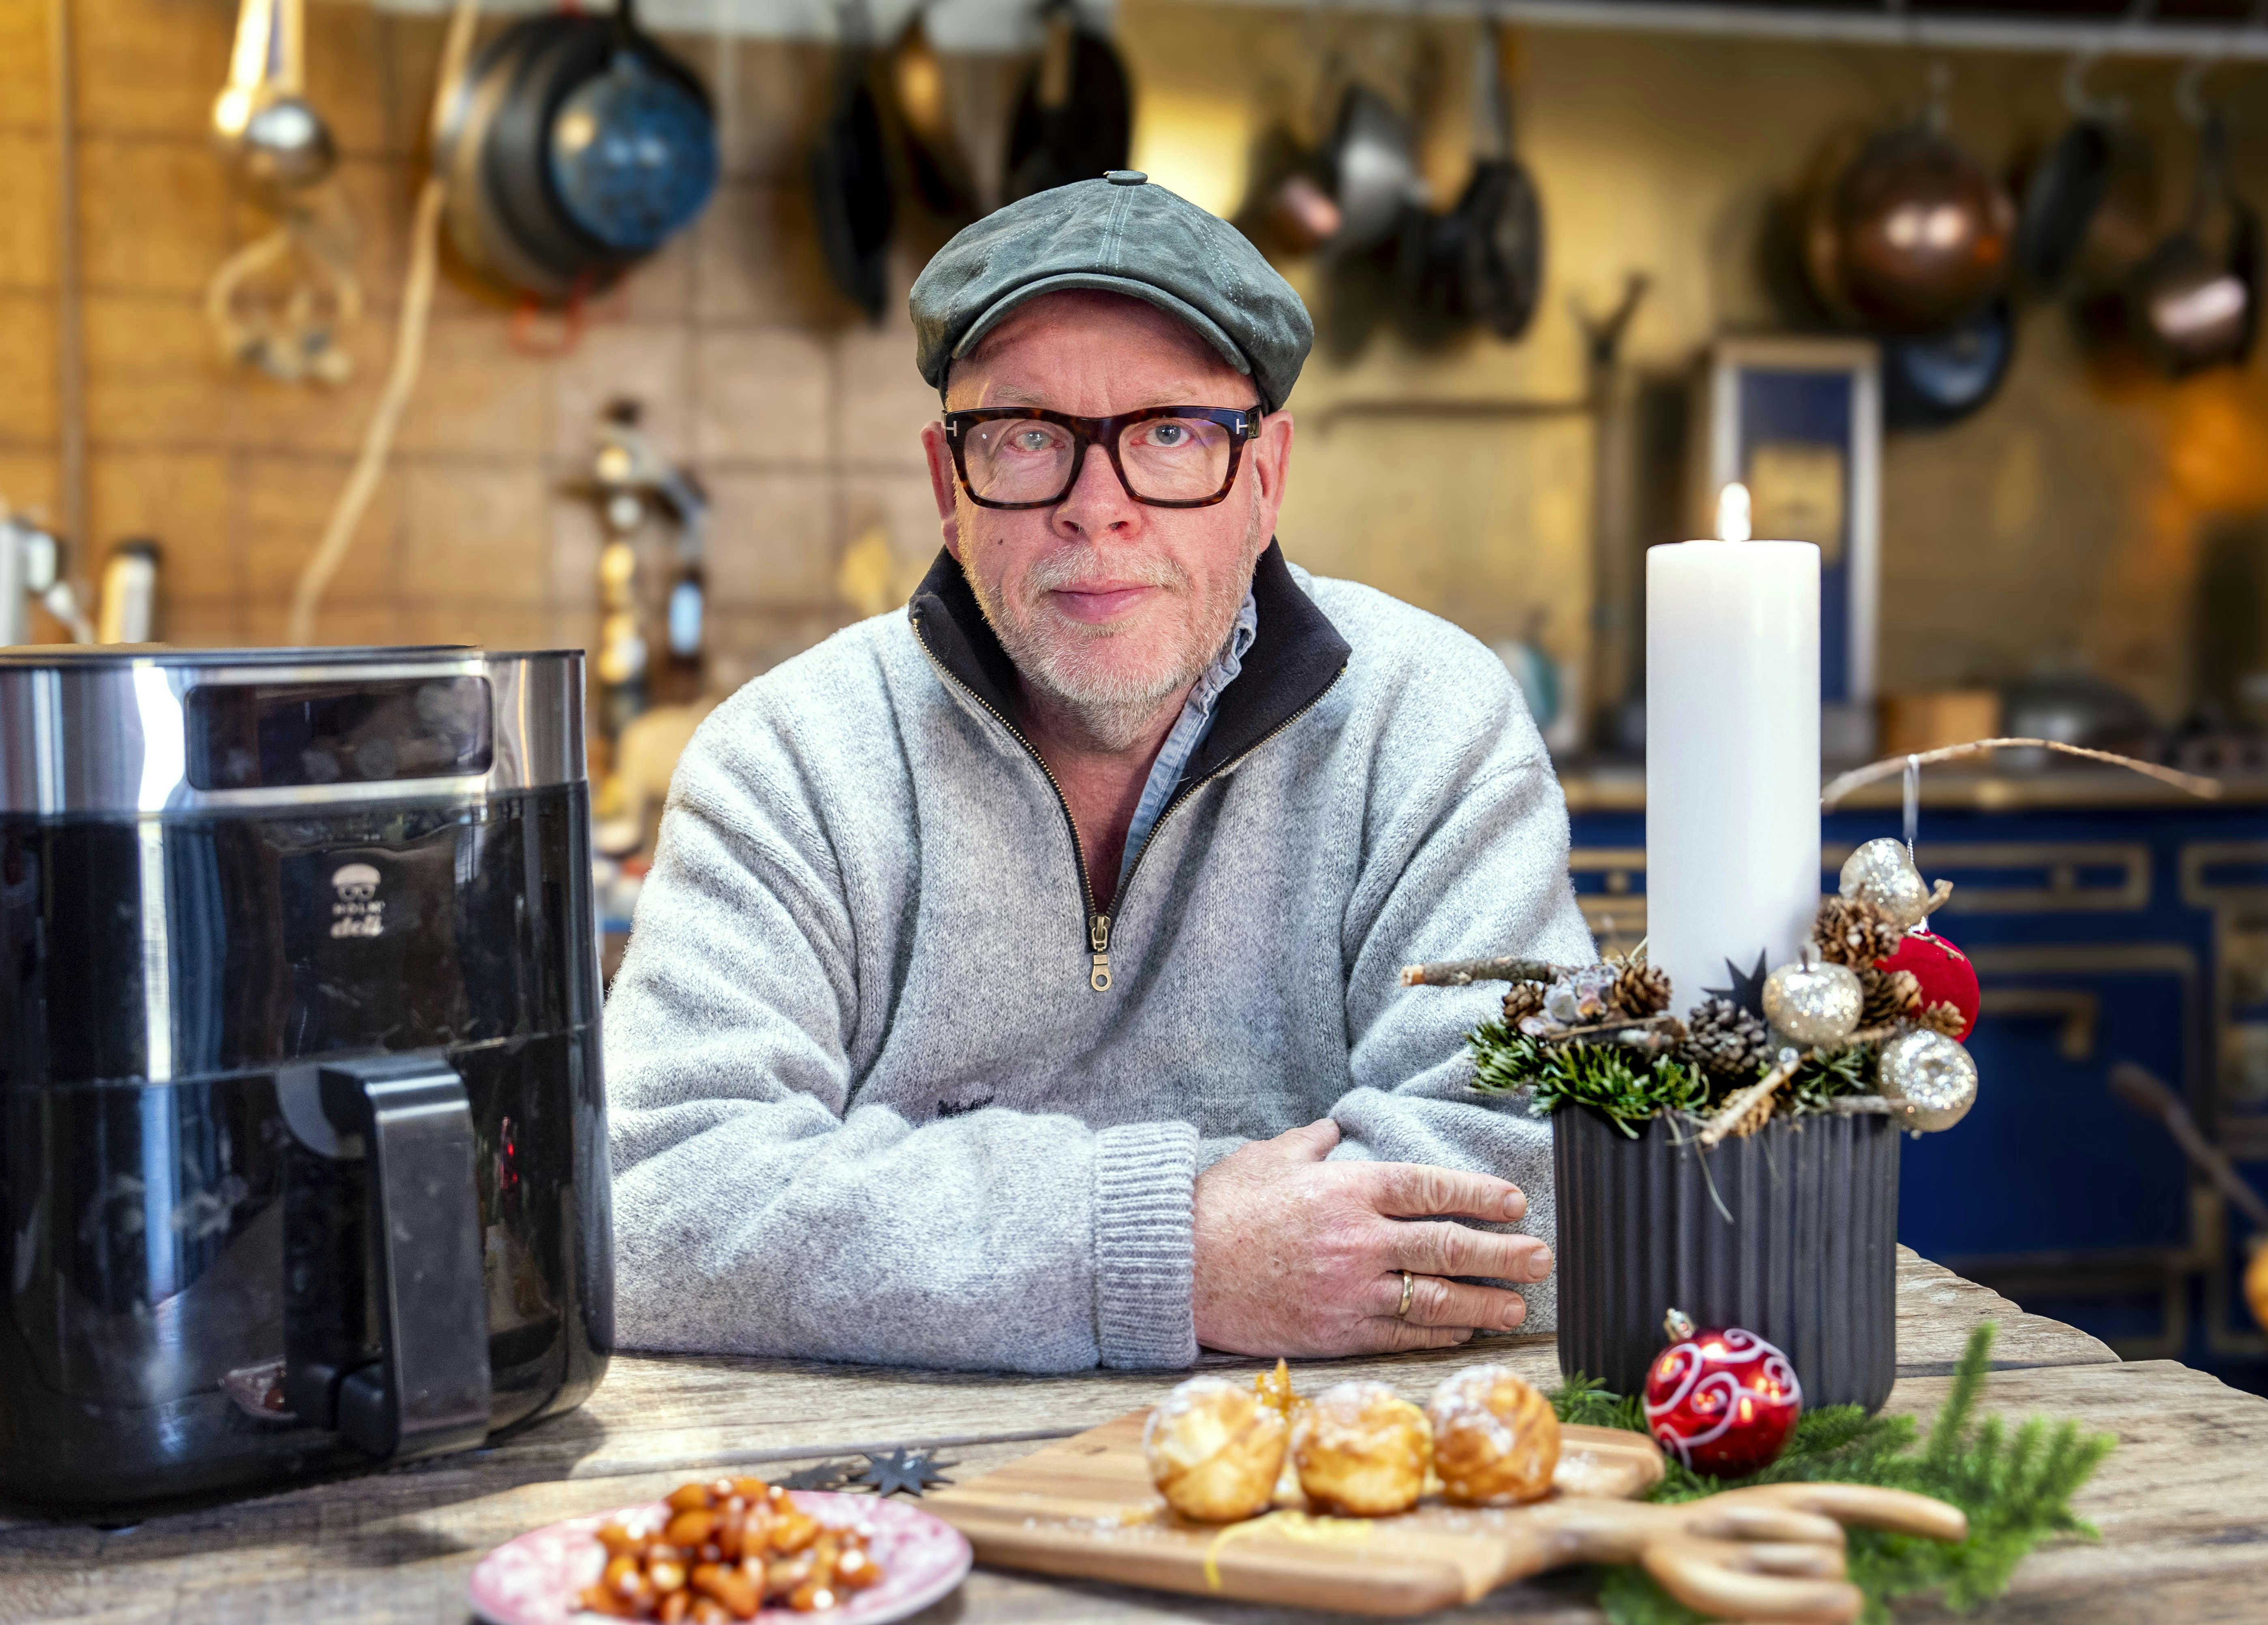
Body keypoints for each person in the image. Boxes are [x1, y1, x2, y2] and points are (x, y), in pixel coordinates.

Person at [603, 171, 1595, 1373]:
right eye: (1028, 439)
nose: (1098, 507)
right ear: (946, 487)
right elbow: (653, 1200)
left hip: (1338, 1501)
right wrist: (1167, 1249)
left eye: (1171, 434)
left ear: (1266, 477)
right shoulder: (790, 759)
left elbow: (1528, 1173)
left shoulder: (1432, 721)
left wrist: (896, 1231)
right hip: (876, 1501)